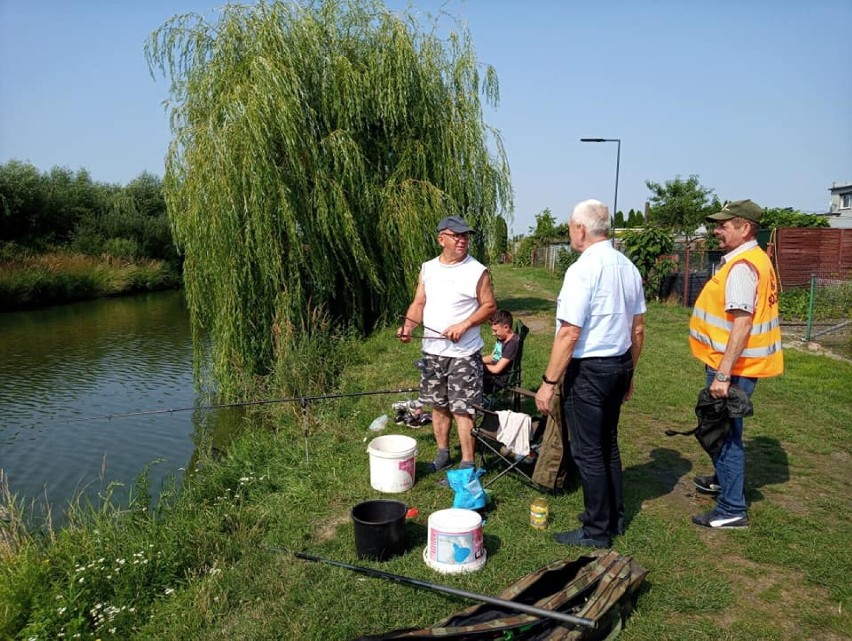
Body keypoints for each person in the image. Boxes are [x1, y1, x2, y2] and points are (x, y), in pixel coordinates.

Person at [535, 199, 646, 549]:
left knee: (588, 452)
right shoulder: (627, 267)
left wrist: (548, 383)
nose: (570, 234)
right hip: (619, 363)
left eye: (570, 228)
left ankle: (597, 531)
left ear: (581, 229)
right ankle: (615, 516)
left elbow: (569, 333)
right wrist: (629, 373)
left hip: (591, 370)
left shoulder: (583, 269)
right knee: (608, 444)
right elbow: (638, 329)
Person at [689, 199, 783, 529]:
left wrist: (724, 375)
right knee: (724, 427)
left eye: (723, 225)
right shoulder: (755, 259)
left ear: (744, 228)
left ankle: (732, 507)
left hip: (733, 368)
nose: (716, 230)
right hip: (738, 365)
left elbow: (742, 323)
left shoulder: (743, 266)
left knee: (725, 432)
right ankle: (722, 481)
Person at [397, 215, 497, 472]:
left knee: (463, 409)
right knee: (438, 405)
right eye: (457, 235)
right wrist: (409, 326)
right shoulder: (428, 268)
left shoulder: (477, 270)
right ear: (442, 239)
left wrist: (464, 325)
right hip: (433, 351)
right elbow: (419, 303)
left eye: (466, 236)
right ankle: (442, 454)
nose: (463, 240)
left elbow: (489, 307)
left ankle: (467, 462)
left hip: (464, 353)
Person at [482, 309, 519, 393]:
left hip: (498, 379)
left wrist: (479, 366)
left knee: (468, 378)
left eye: (495, 330)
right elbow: (493, 357)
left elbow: (496, 369)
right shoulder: (502, 338)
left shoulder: (512, 344)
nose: (493, 334)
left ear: (506, 327)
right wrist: (476, 360)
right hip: (492, 373)